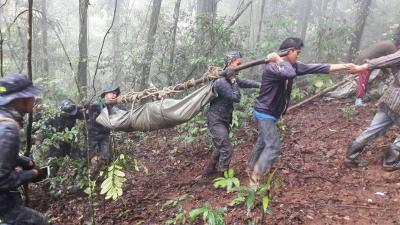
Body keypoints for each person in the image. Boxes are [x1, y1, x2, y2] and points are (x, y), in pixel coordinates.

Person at [247, 37, 353, 185]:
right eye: (297, 52)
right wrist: (279, 59)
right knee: (273, 146)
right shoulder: (273, 67)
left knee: (263, 141)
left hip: (271, 113)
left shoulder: (290, 65)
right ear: (289, 51)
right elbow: (288, 74)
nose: (298, 56)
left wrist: (345, 66)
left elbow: (318, 67)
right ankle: (255, 176)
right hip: (264, 113)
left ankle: (251, 167)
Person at [0, 74, 48, 225]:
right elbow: (2, 180)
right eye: (30, 95)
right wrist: (32, 173)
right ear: (19, 99)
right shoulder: (8, 130)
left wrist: (26, 162)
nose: (34, 99)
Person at [205, 51, 261, 176]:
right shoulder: (221, 82)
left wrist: (260, 85)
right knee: (226, 149)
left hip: (224, 119)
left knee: (221, 147)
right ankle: (222, 176)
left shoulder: (229, 77)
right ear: (230, 63)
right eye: (238, 63)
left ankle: (209, 170)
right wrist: (233, 80)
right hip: (216, 120)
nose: (240, 66)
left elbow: (245, 82)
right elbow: (236, 97)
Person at [345, 49, 400, 171]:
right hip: (397, 102)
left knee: (373, 129)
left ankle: (350, 156)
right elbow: (387, 59)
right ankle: (391, 160)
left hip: (389, 99)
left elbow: (389, 59)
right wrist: (362, 67)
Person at [87, 86, 126, 174]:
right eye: (112, 93)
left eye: (115, 93)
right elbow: (88, 109)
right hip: (93, 137)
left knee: (105, 157)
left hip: (105, 135)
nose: (114, 95)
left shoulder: (115, 105)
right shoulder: (96, 104)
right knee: (93, 159)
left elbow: (126, 111)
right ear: (105, 95)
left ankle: (99, 174)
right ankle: (90, 177)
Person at [354, 35, 400, 106]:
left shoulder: (388, 44)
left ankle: (362, 97)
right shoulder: (392, 47)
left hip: (366, 59)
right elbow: (393, 63)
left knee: (364, 80)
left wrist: (387, 73)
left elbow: (383, 62)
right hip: (365, 60)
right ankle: (358, 100)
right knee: (363, 80)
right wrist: (395, 76)